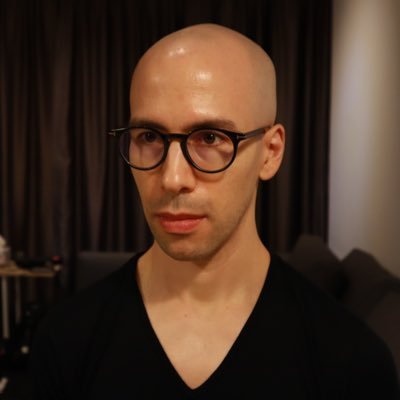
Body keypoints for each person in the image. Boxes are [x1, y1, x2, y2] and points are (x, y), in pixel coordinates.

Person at [31, 23, 400, 399]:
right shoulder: (65, 341)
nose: (173, 178)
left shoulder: (352, 363)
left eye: (210, 138)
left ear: (270, 152)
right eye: (149, 137)